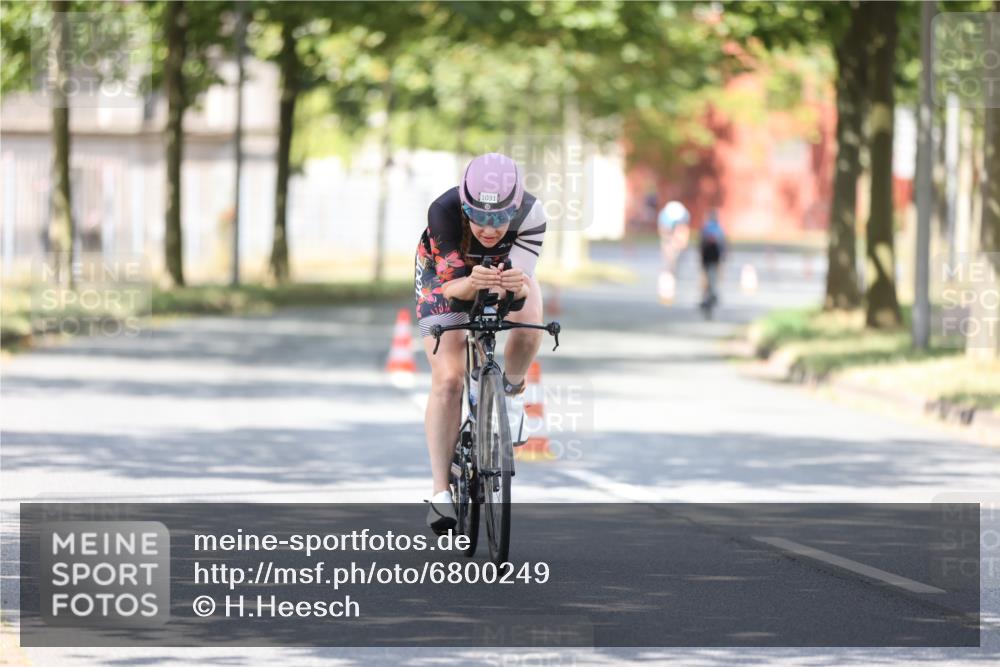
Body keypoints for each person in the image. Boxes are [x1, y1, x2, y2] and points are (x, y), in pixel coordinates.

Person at [414, 152, 546, 533]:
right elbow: (455, 288)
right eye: (479, 217)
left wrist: (510, 293)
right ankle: (441, 492)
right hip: (446, 276)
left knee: (528, 323)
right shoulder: (444, 210)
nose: (488, 229)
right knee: (450, 378)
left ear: (515, 208)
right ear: (465, 204)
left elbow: (518, 289)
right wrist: (474, 283)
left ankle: (512, 391)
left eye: (498, 219)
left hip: (506, 271)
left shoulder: (532, 215)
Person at [656, 200, 690, 303]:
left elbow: (683, 232)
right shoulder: (665, 218)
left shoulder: (682, 216)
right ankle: (666, 290)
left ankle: (669, 288)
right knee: (668, 267)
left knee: (674, 267)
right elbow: (663, 231)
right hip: (669, 243)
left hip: (675, 244)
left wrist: (681, 242)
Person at [699, 210, 726, 314]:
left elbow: (701, 242)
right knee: (714, 274)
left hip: (706, 255)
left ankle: (705, 295)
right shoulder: (718, 228)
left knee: (705, 275)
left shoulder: (706, 228)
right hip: (715, 255)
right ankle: (713, 292)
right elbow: (722, 244)